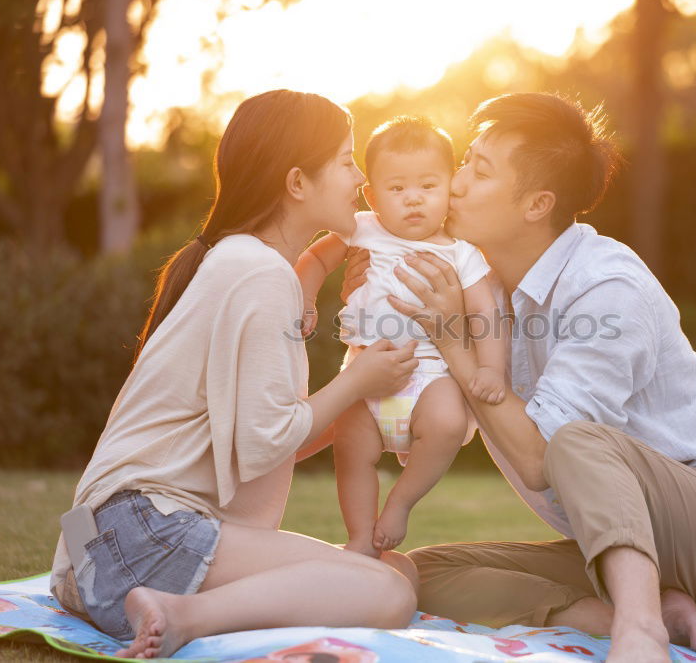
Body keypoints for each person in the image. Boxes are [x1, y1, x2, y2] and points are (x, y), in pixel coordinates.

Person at [342, 93, 696, 663]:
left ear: (536, 204)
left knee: (574, 438)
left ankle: (641, 629)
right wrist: (367, 282)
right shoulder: (479, 283)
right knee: (419, 572)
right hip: (620, 539)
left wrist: (453, 338)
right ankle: (625, 610)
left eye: (477, 171)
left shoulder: (605, 286)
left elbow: (539, 460)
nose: (452, 185)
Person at [48, 90, 420, 660]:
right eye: (347, 161)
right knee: (389, 592)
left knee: (387, 574)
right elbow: (266, 439)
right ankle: (179, 614)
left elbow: (253, 446)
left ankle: (161, 603)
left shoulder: (239, 261)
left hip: (90, 552)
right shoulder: (258, 273)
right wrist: (358, 381)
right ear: (297, 183)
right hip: (141, 536)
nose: (362, 178)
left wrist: (359, 397)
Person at [295, 116, 506, 557]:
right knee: (351, 452)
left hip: (431, 373)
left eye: (428, 186)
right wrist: (306, 299)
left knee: (447, 424)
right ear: (372, 195)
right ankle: (359, 537)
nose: (413, 199)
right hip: (365, 374)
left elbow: (486, 312)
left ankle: (401, 503)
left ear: (449, 187)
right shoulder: (360, 229)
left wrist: (490, 369)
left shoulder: (462, 252)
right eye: (396, 189)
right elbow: (314, 258)